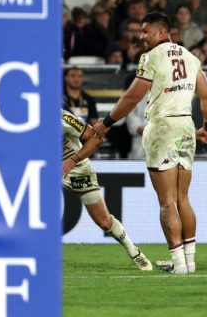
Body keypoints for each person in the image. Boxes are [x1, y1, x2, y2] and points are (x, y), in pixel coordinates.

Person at [94, 12, 207, 275]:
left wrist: (106, 122)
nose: (141, 37)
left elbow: (132, 97)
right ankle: (190, 261)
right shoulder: (190, 57)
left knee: (166, 202)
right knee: (183, 198)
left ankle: (179, 263)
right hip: (185, 124)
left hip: (162, 127)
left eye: (146, 31)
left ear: (162, 32)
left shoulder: (150, 57)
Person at [61, 109, 153, 271]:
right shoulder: (17, 122)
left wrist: (73, 160)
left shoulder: (62, 117)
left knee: (103, 221)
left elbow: (95, 138)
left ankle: (133, 250)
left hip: (76, 170)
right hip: (41, 170)